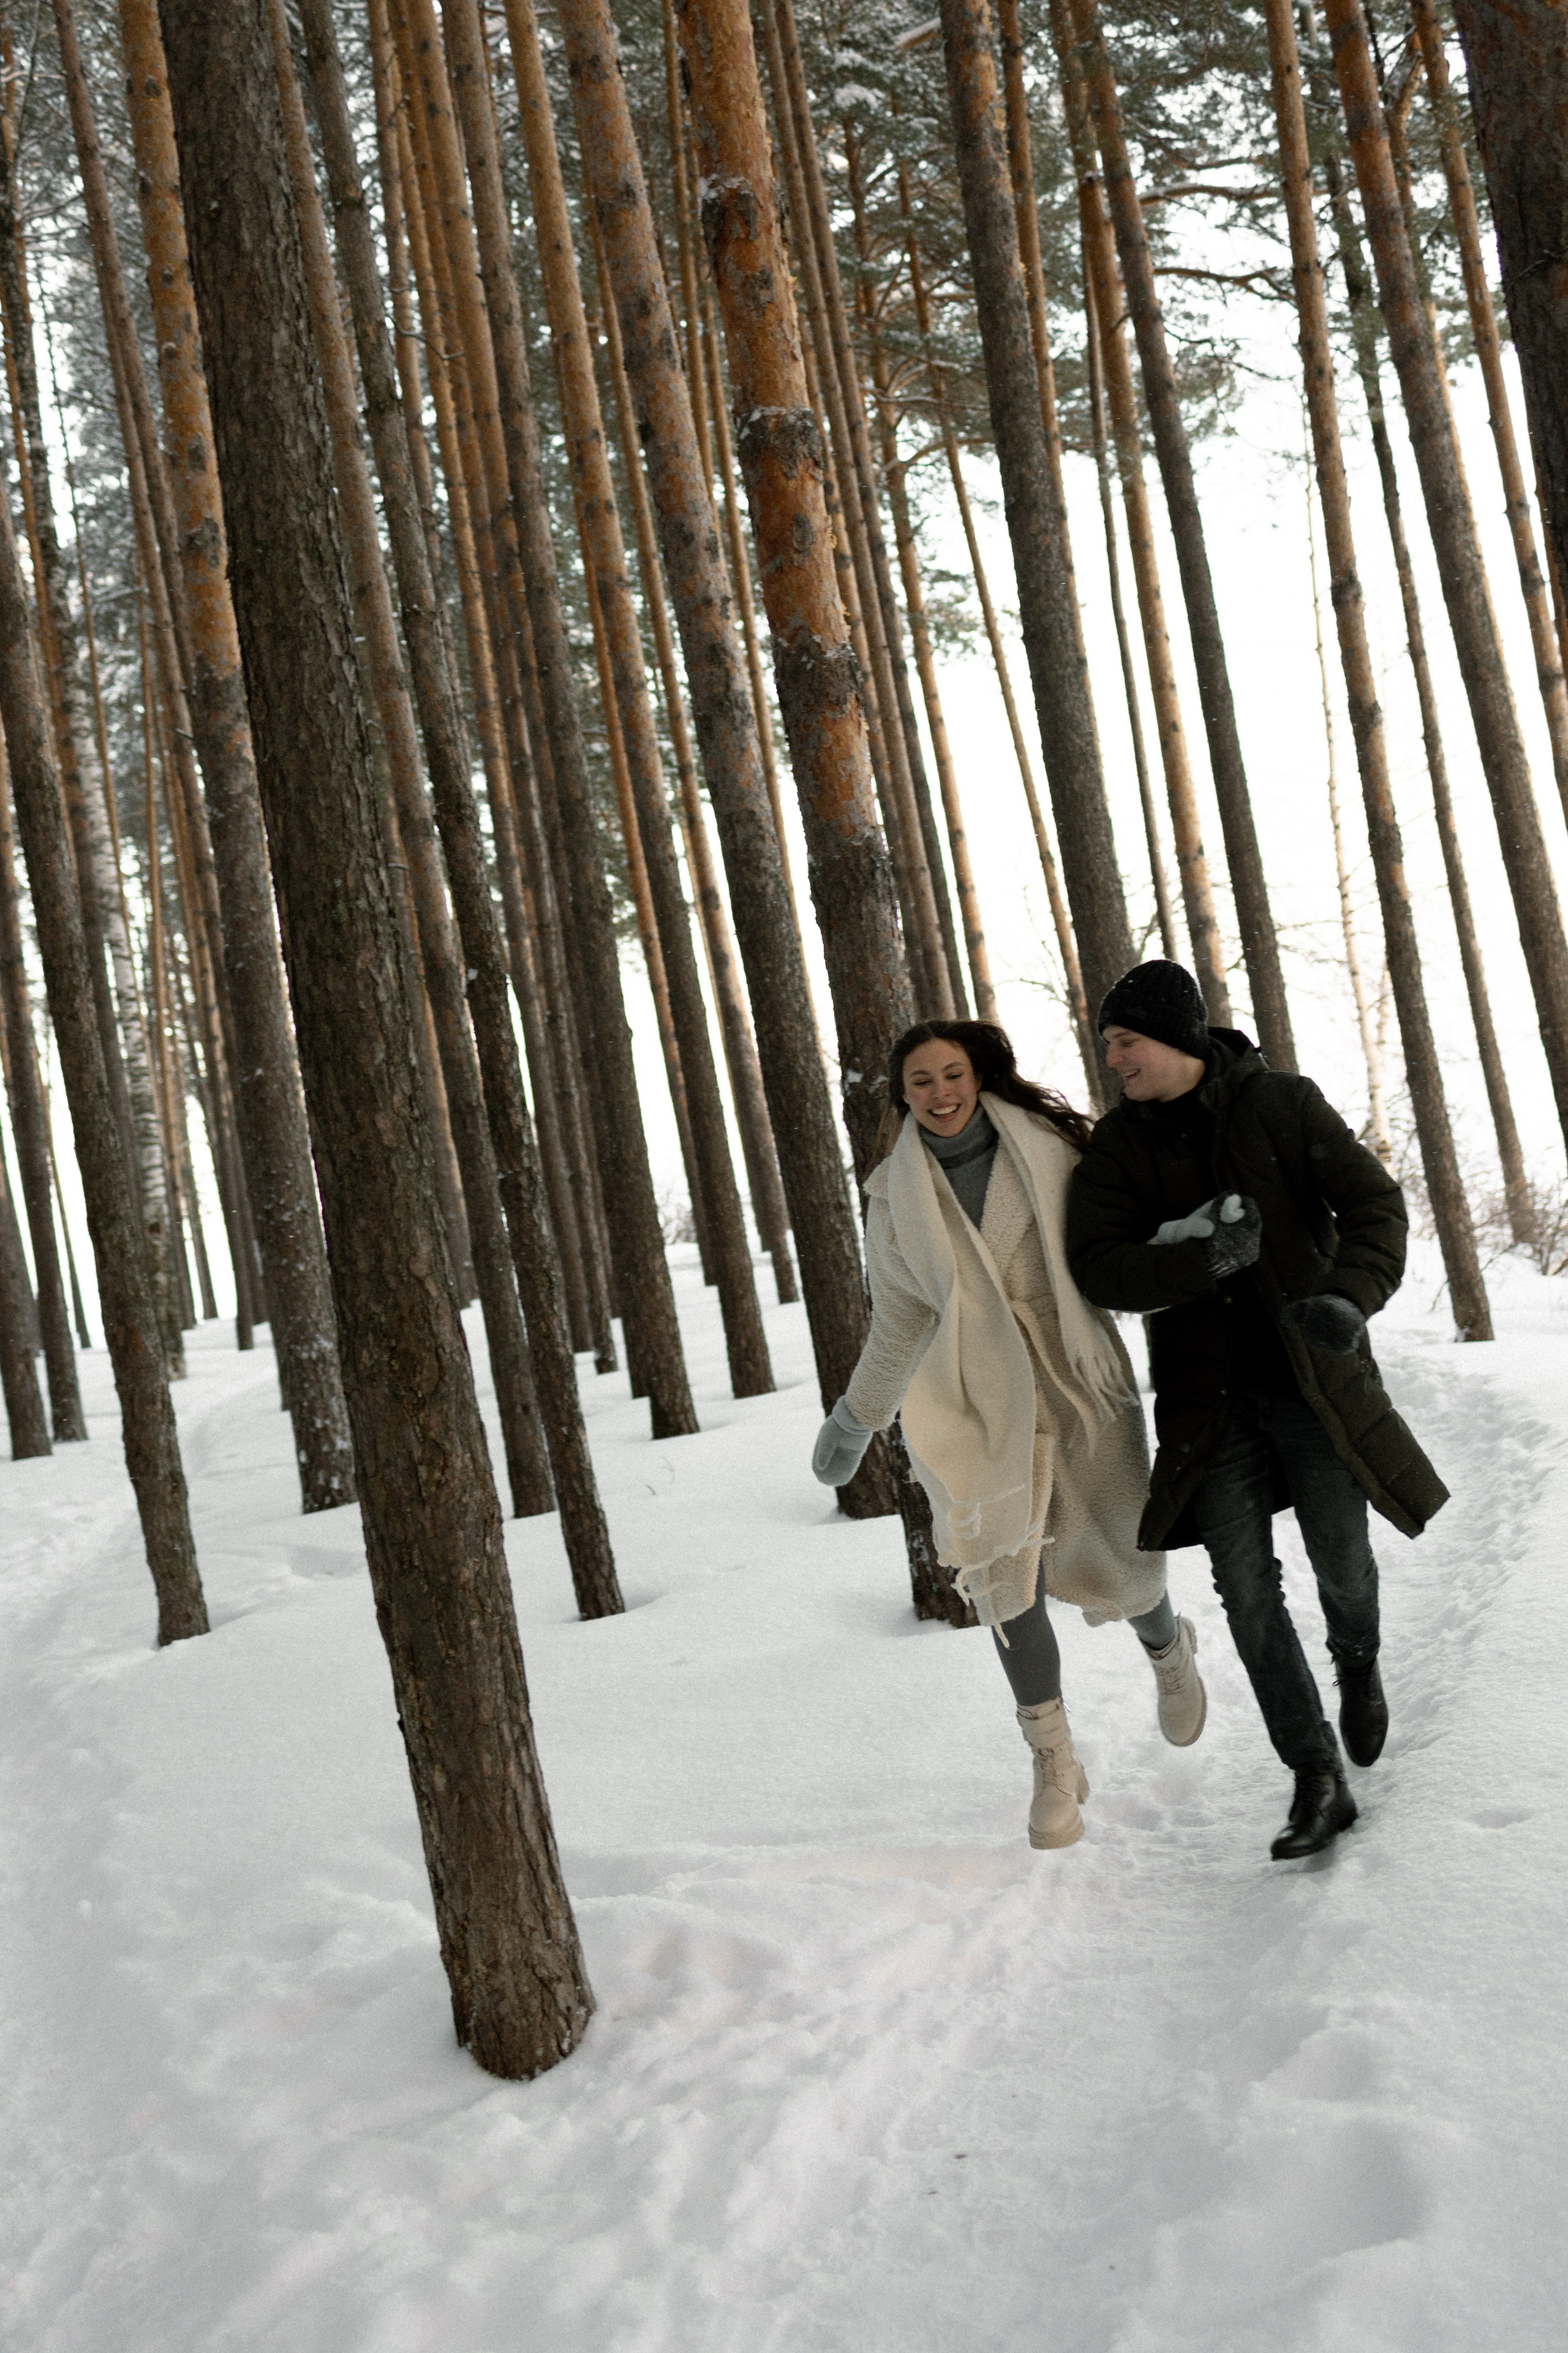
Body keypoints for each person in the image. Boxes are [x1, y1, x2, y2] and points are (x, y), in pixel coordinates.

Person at [1065, 959, 1449, 1861]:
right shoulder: (1120, 1148)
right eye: (1108, 1045)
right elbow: (1099, 1264)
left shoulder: (1282, 1103)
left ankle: (1357, 1660)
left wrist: (1349, 1301)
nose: (1113, 1059)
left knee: (1343, 1561)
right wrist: (1199, 1261)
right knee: (1244, 1592)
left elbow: (1375, 1205)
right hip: (1210, 1408)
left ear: (1174, 1036)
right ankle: (1315, 1775)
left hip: (1311, 1380)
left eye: (1125, 1041)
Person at [811, 1019, 1206, 1853]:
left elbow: (1111, 1243)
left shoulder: (1053, 1148)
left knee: (1122, 1557)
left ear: (978, 1074)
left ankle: (1168, 1648)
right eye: (920, 1081)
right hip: (973, 1402)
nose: (940, 1093)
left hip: (1074, 1379)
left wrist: (1182, 1249)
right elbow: (901, 1320)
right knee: (1004, 1580)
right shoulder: (892, 1198)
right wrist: (857, 1416)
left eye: (952, 1074)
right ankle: (1054, 1760)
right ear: (902, 1095)